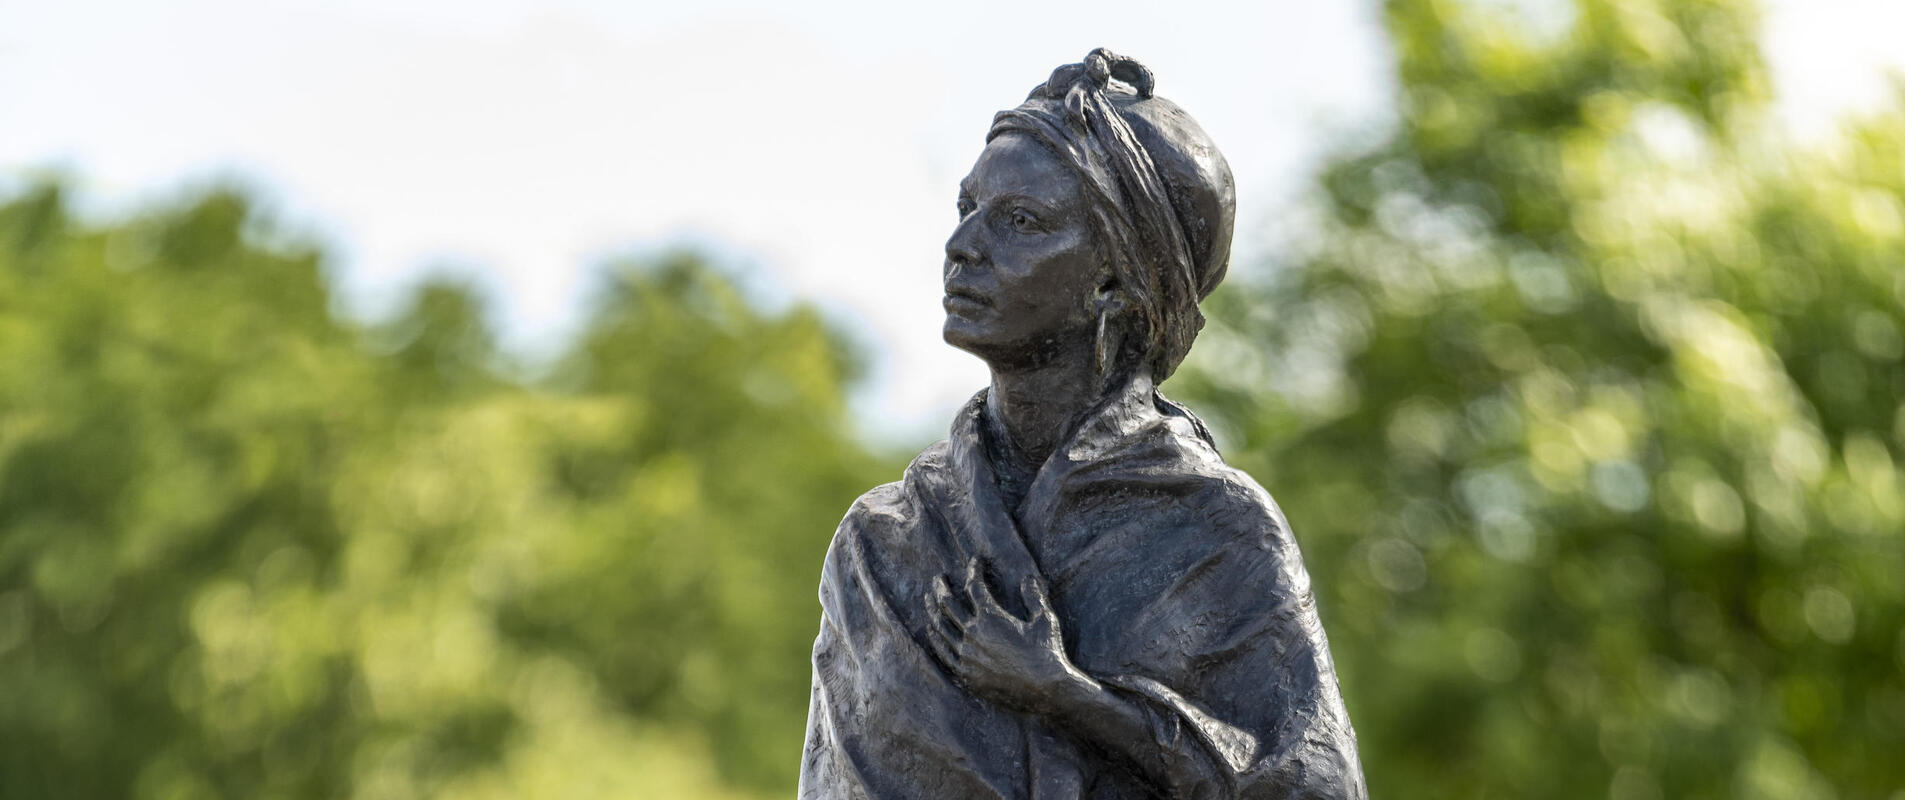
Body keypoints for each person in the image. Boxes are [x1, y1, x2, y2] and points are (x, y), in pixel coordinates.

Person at [799, 49, 1367, 799]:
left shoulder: (1218, 530)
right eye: (967, 209)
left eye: (1020, 222)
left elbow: (1310, 786)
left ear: (1116, 280)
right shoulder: (884, 543)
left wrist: (1069, 697)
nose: (962, 246)